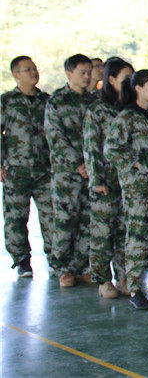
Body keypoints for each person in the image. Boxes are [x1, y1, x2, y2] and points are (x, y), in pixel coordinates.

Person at [104, 70, 148, 310]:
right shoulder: (127, 118)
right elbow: (111, 149)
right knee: (138, 238)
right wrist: (134, 163)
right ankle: (134, 288)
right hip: (139, 191)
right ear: (138, 88)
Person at [82, 57, 133, 299]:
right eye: (125, 78)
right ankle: (103, 280)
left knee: (125, 230)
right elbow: (91, 146)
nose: (130, 83)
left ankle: (123, 276)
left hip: (128, 180)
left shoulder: (130, 107)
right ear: (111, 80)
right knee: (102, 232)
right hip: (106, 180)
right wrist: (97, 179)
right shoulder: (97, 109)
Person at [44, 53, 97, 288]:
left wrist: (92, 164)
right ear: (69, 74)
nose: (87, 77)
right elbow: (55, 137)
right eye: (82, 72)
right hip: (67, 173)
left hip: (92, 171)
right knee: (65, 220)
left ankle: (82, 267)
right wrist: (78, 163)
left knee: (88, 219)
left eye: (89, 72)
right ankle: (62, 268)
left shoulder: (94, 102)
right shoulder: (56, 101)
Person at [1, 56, 54, 277]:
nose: (34, 73)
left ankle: (56, 258)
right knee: (16, 217)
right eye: (27, 70)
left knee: (52, 215)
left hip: (45, 170)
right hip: (17, 169)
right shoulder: (7, 101)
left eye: (34, 68)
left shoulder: (47, 101)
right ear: (16, 74)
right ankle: (22, 260)